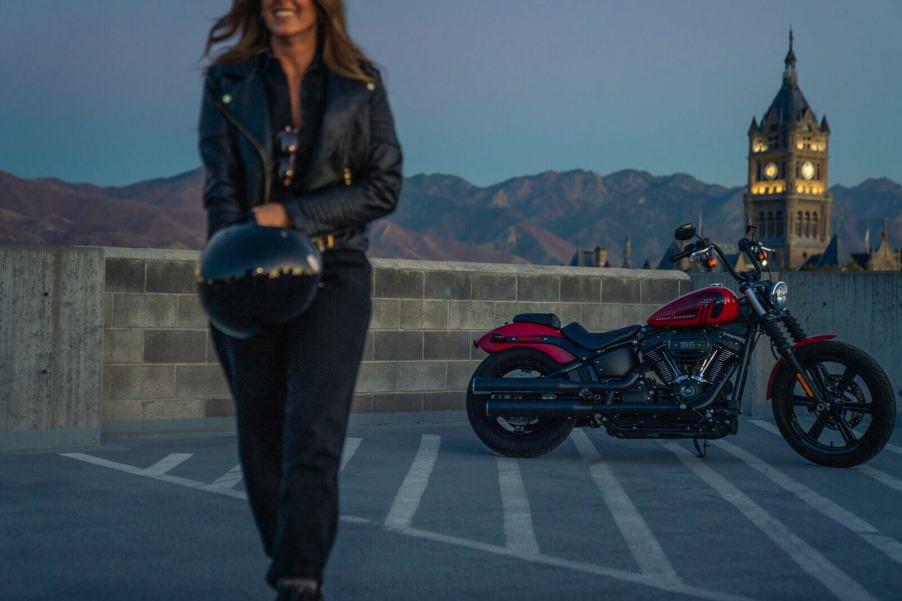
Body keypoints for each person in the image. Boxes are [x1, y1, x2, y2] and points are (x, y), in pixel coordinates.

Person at [198, 1, 402, 599]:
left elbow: (383, 185)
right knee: (260, 435)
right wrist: (232, 249)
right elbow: (221, 184)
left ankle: (299, 578)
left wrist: (291, 214)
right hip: (246, 268)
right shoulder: (229, 81)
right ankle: (291, 561)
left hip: (333, 269)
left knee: (314, 430)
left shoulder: (359, 82)